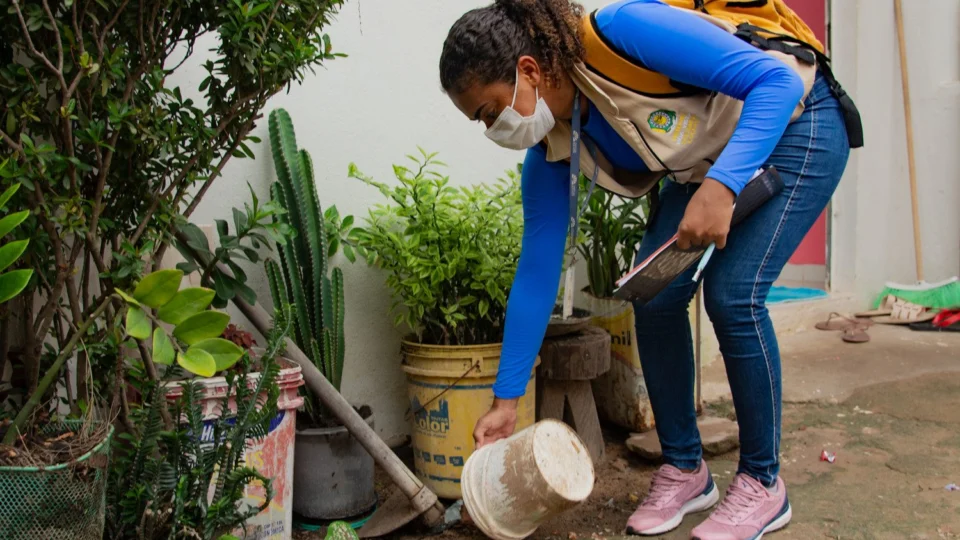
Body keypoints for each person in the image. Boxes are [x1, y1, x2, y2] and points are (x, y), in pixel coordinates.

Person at [439, 0, 860, 538]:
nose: (491, 128)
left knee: (732, 296)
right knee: (654, 296)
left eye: (488, 111)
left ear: (527, 71)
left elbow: (775, 85)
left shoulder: (624, 31)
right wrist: (506, 399)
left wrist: (722, 185)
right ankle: (685, 468)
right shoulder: (552, 150)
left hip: (801, 123)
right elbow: (536, 272)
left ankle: (763, 483)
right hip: (710, 162)